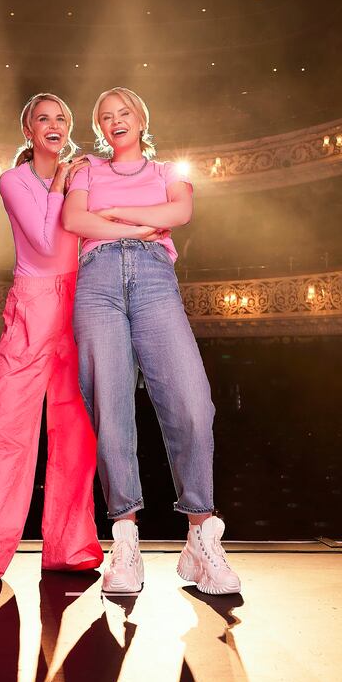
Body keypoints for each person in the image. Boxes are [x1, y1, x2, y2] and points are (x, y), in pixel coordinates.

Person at [63, 87, 240, 596]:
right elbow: (74, 221)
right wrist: (142, 221)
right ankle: (124, 543)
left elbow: (179, 213)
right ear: (99, 127)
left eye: (124, 112)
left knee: (192, 404)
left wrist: (115, 215)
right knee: (111, 408)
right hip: (97, 282)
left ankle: (201, 539)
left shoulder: (169, 170)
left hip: (154, 278)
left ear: (141, 118)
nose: (115, 121)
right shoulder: (86, 170)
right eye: (105, 116)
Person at [0, 92, 116, 586]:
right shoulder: (13, 180)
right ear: (29, 130)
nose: (54, 125)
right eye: (43, 119)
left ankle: (72, 545)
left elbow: (105, 226)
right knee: (5, 427)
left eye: (61, 118)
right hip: (33, 305)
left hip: (81, 300)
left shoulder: (84, 176)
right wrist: (60, 182)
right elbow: (45, 240)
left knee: (77, 430)